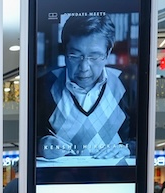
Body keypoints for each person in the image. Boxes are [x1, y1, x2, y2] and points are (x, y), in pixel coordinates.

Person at [36, 14, 136, 160]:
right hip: (59, 174)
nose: (84, 68)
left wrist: (127, 148)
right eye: (75, 56)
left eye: (94, 57)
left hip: (115, 173)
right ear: (64, 51)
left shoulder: (127, 85)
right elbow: (25, 139)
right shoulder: (43, 86)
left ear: (108, 53)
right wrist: (40, 145)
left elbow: (145, 139)